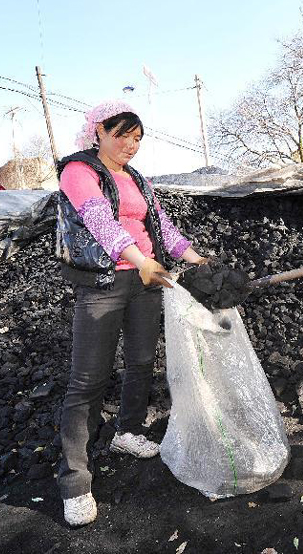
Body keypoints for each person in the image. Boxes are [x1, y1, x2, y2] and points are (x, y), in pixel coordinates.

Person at [54, 100, 208, 526]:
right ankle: (74, 481)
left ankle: (128, 432)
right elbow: (100, 222)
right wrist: (142, 262)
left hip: (145, 278)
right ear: (99, 130)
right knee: (87, 380)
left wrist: (197, 260)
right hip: (104, 283)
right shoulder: (78, 171)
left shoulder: (137, 178)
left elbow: (161, 226)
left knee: (140, 362)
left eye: (137, 138)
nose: (130, 144)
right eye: (122, 134)